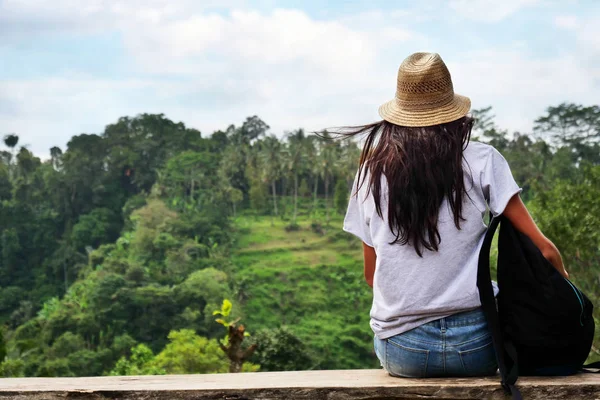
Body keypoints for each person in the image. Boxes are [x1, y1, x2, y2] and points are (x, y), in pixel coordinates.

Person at [340, 52, 568, 378]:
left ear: (400, 112)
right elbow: (544, 251)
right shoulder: (483, 160)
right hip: (479, 347)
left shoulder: (370, 173)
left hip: (402, 352)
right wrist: (569, 300)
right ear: (452, 109)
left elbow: (371, 276)